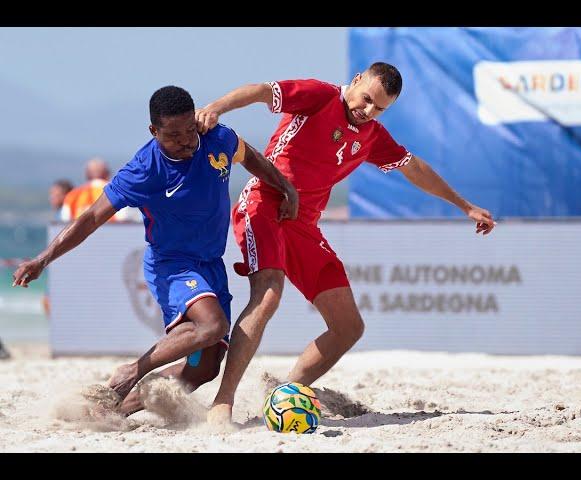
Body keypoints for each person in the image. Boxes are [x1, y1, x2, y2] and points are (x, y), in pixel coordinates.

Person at [194, 62, 497, 429]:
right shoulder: (319, 96)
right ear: (356, 82)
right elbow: (261, 90)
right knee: (269, 295)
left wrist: (464, 206)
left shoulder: (372, 135)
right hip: (266, 203)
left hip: (305, 225)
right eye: (367, 99)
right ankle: (221, 405)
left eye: (379, 108)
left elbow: (412, 167)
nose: (368, 111)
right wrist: (215, 108)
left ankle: (286, 395)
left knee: (349, 326)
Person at [12, 85, 298, 416]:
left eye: (190, 129)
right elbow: (90, 217)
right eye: (174, 135)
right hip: (173, 266)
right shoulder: (144, 170)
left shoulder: (216, 137)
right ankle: (133, 370)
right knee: (212, 326)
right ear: (154, 131)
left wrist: (285, 186)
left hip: (211, 265)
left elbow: (252, 159)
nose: (187, 141)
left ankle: (111, 410)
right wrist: (43, 258)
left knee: (204, 368)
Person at [61, 157, 140, 222]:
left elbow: (64, 221)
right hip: (110, 238)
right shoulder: (116, 191)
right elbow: (126, 217)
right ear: (107, 174)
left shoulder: (73, 195)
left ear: (87, 175)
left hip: (81, 238)